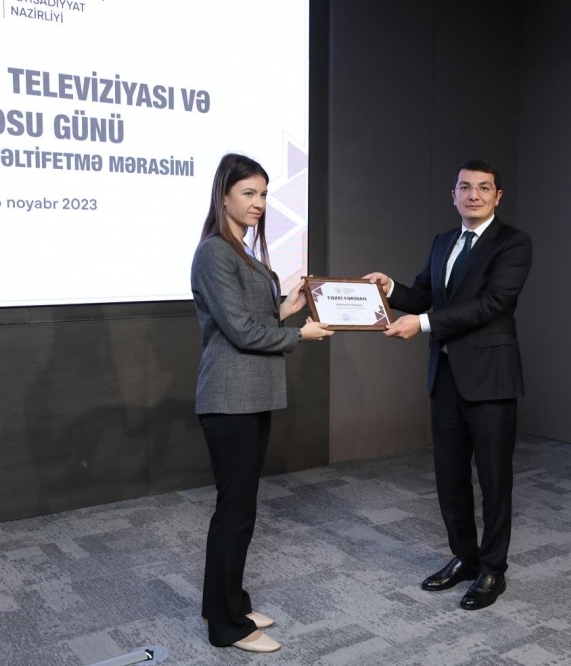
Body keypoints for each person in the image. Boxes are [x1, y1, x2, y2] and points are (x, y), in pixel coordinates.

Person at [364, 159, 532, 610]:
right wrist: (389, 287)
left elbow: (492, 304)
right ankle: (465, 557)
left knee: (494, 480)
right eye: (465, 187)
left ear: (498, 196)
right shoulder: (443, 242)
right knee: (450, 478)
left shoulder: (514, 243)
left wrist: (421, 323)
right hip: (446, 378)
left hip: (491, 380)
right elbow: (423, 295)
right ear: (453, 195)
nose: (473, 195)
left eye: (484, 188)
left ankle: (493, 570)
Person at [191, 153, 333, 652]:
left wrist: (285, 308)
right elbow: (241, 332)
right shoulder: (214, 253)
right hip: (229, 398)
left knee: (241, 510)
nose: (259, 203)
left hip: (250, 395)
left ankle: (223, 603)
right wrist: (299, 334)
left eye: (265, 194)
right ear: (224, 195)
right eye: (248, 193)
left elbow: (252, 317)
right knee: (235, 513)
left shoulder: (240, 251)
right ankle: (226, 627)